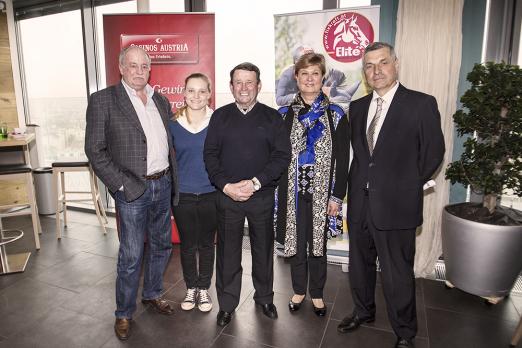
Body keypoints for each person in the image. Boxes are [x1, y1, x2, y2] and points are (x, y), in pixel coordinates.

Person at [337, 42, 445, 348]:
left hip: (397, 204)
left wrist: (406, 184)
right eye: (369, 66)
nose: (376, 71)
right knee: (359, 264)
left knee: (397, 273)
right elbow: (361, 157)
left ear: (395, 63)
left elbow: (433, 154)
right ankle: (363, 311)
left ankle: (405, 332)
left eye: (382, 63)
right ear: (365, 71)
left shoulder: (421, 104)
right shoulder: (357, 108)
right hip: (359, 202)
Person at [85, 46, 178, 341]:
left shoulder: (160, 100)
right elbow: (95, 150)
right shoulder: (103, 101)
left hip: (163, 184)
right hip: (132, 189)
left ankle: (151, 294)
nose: (139, 71)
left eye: (144, 66)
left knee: (162, 246)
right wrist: (121, 185)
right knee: (131, 254)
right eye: (133, 65)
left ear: (149, 69)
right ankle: (123, 313)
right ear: (121, 67)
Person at [203, 62, 291, 327]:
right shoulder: (220, 116)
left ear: (259, 85)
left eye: (249, 82)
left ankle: (264, 298)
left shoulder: (273, 117)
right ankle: (227, 305)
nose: (243, 88)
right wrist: (226, 186)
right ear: (231, 87)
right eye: (238, 82)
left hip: (261, 196)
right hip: (227, 196)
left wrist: (255, 183)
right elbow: (210, 155)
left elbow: (281, 156)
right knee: (228, 253)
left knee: (263, 252)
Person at [275, 52, 350, 317]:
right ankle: (298, 291)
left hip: (323, 193)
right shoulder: (283, 114)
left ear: (322, 78)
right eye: (304, 74)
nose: (309, 79)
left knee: (318, 244)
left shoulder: (337, 114)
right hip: (291, 191)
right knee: (296, 242)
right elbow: (278, 155)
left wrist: (337, 196)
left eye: (315, 74)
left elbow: (344, 159)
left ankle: (317, 294)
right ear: (296, 78)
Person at [168, 73, 217, 313]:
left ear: (209, 93)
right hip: (183, 195)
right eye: (191, 90)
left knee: (207, 244)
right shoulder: (173, 123)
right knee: (187, 245)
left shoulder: (218, 121)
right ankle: (191, 288)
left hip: (211, 194)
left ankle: (204, 289)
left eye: (201, 91)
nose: (196, 96)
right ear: (184, 93)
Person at [275, 44, 361, 111]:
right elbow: (279, 100)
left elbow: (327, 91)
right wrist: (300, 96)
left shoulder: (320, 72)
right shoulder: (287, 75)